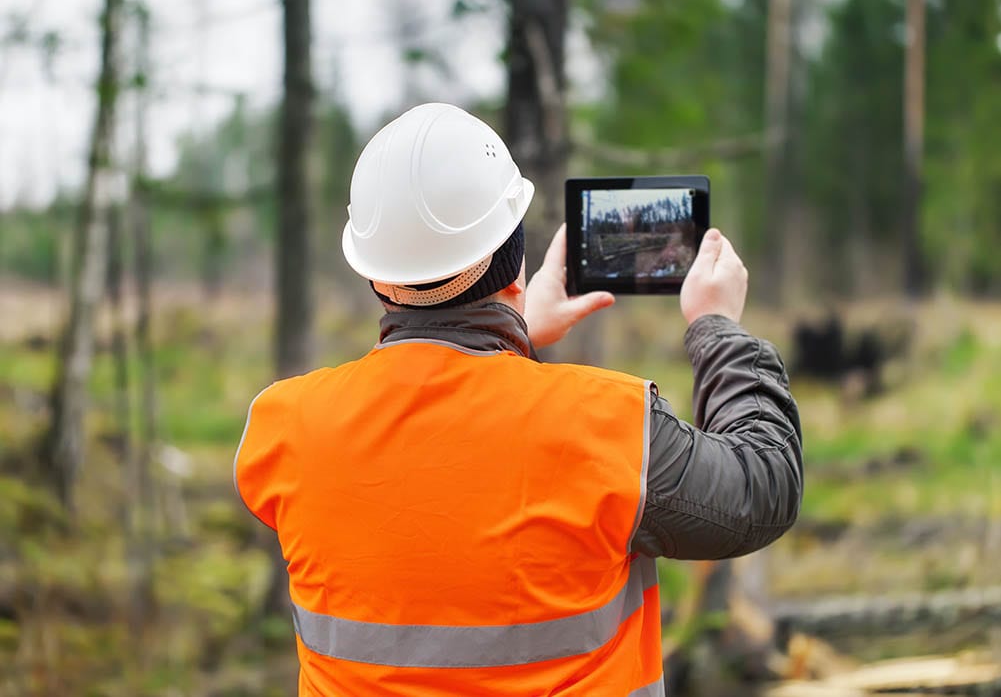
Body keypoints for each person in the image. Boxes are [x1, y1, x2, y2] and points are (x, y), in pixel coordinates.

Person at [234, 103, 803, 697]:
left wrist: (511, 331)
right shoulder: (608, 426)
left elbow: (427, 436)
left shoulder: (285, 427)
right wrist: (716, 326)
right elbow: (762, 486)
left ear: (376, 275)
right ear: (513, 264)